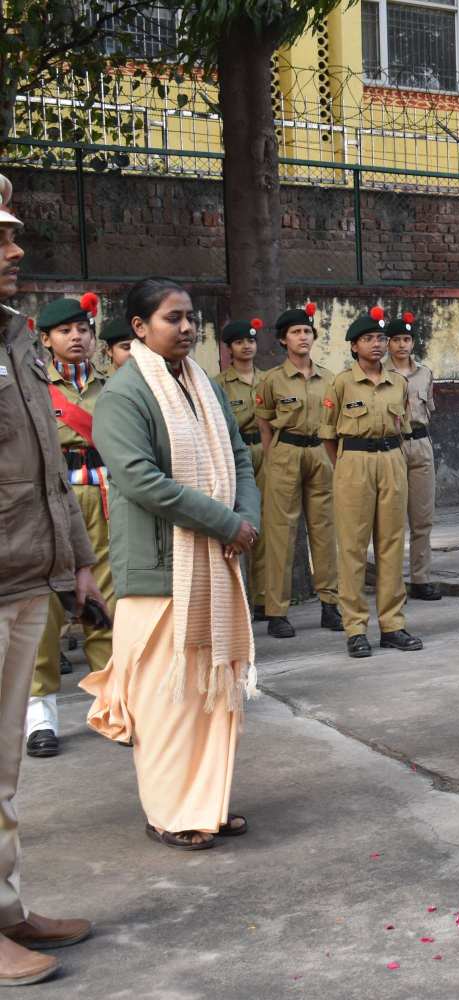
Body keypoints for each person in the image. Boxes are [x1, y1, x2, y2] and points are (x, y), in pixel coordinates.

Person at [82, 276, 259, 853]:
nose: (186, 328)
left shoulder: (199, 383)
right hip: (159, 570)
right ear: (139, 328)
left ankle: (205, 805)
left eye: (189, 318)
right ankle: (169, 812)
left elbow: (238, 455)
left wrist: (245, 517)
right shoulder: (124, 394)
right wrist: (224, 521)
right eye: (172, 318)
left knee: (212, 693)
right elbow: (140, 481)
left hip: (215, 559)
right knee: (165, 700)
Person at [0, 173, 101, 984]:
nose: (15, 249)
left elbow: (42, 470)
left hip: (25, 572)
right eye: (0, 238)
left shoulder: (13, 341)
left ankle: (6, 909)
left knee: (4, 767)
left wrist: (76, 561)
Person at [25, 294, 114, 759]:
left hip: (107, 499)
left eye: (83, 329)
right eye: (65, 331)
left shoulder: (113, 384)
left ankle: (110, 703)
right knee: (48, 607)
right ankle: (41, 712)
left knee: (106, 599)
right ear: (45, 339)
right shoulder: (34, 386)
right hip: (57, 503)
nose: (77, 337)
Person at [321, 307, 423, 659]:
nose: (377, 344)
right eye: (368, 339)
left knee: (392, 544)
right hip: (354, 462)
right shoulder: (342, 383)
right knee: (352, 547)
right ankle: (355, 628)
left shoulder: (399, 383)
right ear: (354, 347)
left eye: (380, 338)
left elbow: (404, 426)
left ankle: (393, 625)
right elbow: (328, 434)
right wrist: (347, 465)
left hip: (393, 459)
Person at [254, 303, 341, 638]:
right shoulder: (272, 381)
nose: (303, 337)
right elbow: (264, 426)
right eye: (296, 333)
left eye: (307, 332)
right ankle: (277, 611)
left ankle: (330, 605)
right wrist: (273, 457)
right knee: (280, 534)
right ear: (283, 341)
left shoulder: (330, 380)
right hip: (285, 452)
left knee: (325, 529)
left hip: (320, 452)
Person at [213, 318, 267, 619]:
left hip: (266, 449)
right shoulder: (218, 384)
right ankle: (238, 600)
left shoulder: (269, 379)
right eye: (239, 342)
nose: (247, 346)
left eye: (251, 341)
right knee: (236, 525)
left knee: (264, 525)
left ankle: (263, 600)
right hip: (235, 453)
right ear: (230, 348)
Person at [386, 312, 440, 602]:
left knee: (422, 518)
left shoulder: (425, 373)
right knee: (392, 519)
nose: (402, 345)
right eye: (396, 340)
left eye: (406, 339)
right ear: (388, 344)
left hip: (421, 443)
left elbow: (429, 408)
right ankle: (393, 582)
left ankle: (421, 579)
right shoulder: (380, 374)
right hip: (392, 445)